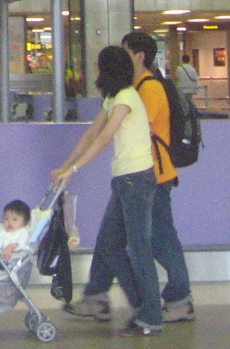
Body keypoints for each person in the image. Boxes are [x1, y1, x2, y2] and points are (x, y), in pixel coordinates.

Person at [67, 33, 194, 328]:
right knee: (113, 241)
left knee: (158, 242)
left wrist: (74, 168)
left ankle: (175, 300)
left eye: (126, 52)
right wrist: (69, 165)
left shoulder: (144, 90)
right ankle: (102, 296)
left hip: (151, 177)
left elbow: (116, 132)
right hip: (133, 177)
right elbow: (98, 132)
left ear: (138, 57)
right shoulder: (126, 90)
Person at [51, 46, 162, 337]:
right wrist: (65, 166)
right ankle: (141, 306)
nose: (96, 71)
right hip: (124, 181)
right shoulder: (112, 97)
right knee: (110, 247)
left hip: (137, 181)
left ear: (107, 69)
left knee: (139, 250)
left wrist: (74, 171)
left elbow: (104, 139)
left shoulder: (126, 97)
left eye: (99, 66)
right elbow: (91, 134)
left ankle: (151, 316)